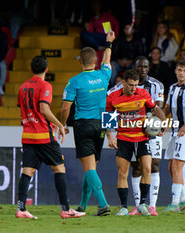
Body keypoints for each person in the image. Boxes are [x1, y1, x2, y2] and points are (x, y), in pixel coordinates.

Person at [15, 56, 85, 219]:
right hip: (44, 136)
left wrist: (46, 123)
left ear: (31, 69)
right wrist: (60, 125)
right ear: (46, 69)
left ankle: (21, 209)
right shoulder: (45, 85)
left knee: (27, 171)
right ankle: (66, 209)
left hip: (27, 135)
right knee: (59, 168)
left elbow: (26, 112)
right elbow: (44, 109)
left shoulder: (23, 87)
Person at [60, 32, 116, 216]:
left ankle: (103, 205)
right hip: (101, 125)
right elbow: (107, 60)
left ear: (80, 62)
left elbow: (65, 108)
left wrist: (62, 124)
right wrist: (109, 42)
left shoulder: (74, 81)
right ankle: (83, 205)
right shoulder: (104, 75)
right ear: (95, 60)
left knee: (89, 168)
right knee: (91, 166)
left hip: (83, 126)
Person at [107, 56, 164, 216]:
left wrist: (163, 122)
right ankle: (124, 207)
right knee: (122, 173)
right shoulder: (113, 97)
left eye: (136, 85)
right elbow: (108, 118)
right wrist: (109, 137)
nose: (133, 88)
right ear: (123, 83)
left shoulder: (143, 93)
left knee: (147, 168)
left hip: (141, 138)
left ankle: (143, 205)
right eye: (131, 85)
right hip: (123, 138)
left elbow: (155, 109)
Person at [163, 60, 185, 211]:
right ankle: (184, 200)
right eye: (179, 69)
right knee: (171, 168)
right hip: (174, 131)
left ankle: (175, 203)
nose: (182, 73)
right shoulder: (172, 88)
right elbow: (166, 109)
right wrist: (161, 124)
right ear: (175, 71)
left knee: (177, 165)